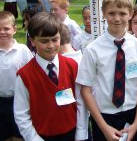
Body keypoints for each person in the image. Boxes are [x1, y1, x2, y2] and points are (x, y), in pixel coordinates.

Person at [76, 0, 137, 141]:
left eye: (122, 13)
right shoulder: (92, 49)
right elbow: (86, 89)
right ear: (103, 13)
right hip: (103, 117)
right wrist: (104, 127)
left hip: (132, 115)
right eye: (111, 13)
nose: (117, 18)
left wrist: (136, 123)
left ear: (130, 14)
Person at [14, 12, 87, 141]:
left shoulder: (72, 66)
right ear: (32, 41)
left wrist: (81, 133)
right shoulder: (25, 76)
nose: (51, 46)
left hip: (73, 133)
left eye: (55, 39)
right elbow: (21, 115)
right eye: (44, 41)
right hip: (41, 136)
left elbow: (81, 101)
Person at [0, 11, 33, 141]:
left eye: (6, 29)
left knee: (19, 133)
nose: (2, 32)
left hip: (19, 100)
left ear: (14, 29)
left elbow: (32, 73)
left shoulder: (23, 50)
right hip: (1, 100)